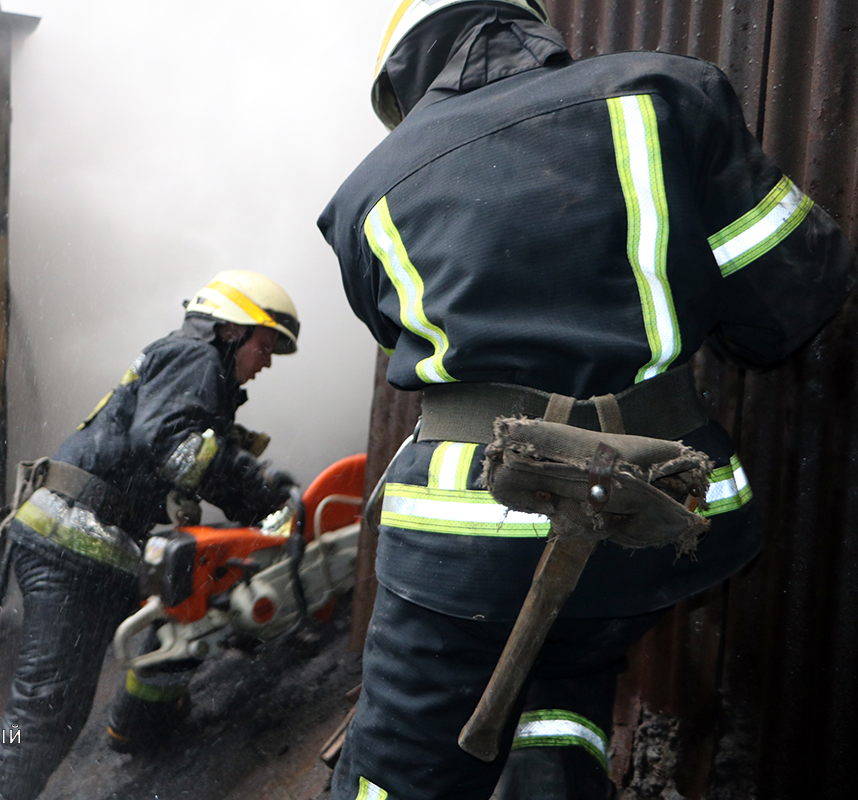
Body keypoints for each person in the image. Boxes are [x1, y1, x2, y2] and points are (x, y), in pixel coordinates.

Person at [316, 1, 856, 798]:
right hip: (657, 517)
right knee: (567, 679)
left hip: (467, 539)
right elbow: (797, 296)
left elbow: (408, 342)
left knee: (400, 766)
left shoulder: (361, 198)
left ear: (405, 75)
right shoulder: (669, 93)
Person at [0, 270, 300, 800]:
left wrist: (264, 504)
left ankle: (142, 722)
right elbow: (172, 443)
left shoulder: (192, 368)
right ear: (232, 331)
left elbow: (190, 452)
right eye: (265, 346)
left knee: (202, 587)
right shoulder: (194, 357)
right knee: (47, 708)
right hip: (71, 544)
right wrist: (265, 496)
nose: (265, 363)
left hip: (97, 547)